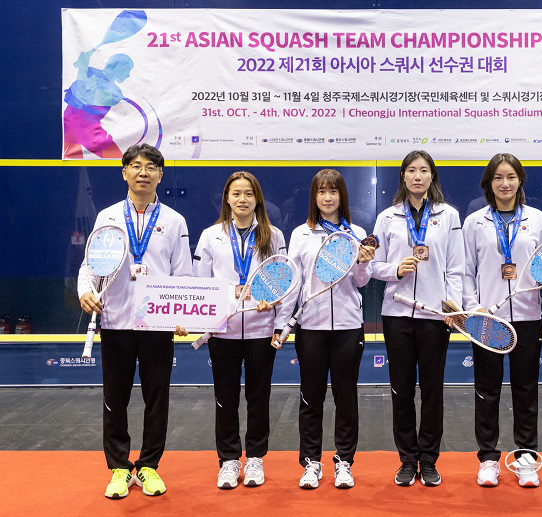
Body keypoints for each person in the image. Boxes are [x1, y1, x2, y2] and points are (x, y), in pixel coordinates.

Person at [78, 143, 192, 498]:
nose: (144, 172)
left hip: (157, 323)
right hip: (116, 320)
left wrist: (181, 314)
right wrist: (85, 291)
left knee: (157, 397)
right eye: (136, 166)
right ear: (124, 172)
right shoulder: (107, 216)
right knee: (115, 398)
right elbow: (91, 264)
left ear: (161, 174)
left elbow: (182, 275)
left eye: (151, 167)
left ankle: (149, 466)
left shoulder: (174, 221)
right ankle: (119, 468)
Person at [462, 153, 542, 488]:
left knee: (525, 390)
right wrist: (473, 307)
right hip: (487, 319)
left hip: (528, 317)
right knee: (486, 391)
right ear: (488, 183)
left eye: (511, 177)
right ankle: (488, 459)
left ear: (520, 181)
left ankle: (526, 458)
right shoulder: (474, 222)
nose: (505, 184)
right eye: (498, 178)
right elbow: (465, 270)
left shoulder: (537, 218)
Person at [371, 150, 465, 487]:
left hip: (435, 316)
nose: (417, 176)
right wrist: (395, 269)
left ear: (431, 176)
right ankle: (407, 460)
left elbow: (456, 267)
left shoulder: (449, 215)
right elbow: (373, 265)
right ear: (403, 176)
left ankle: (429, 460)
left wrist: (454, 306)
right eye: (411, 170)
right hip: (397, 314)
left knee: (432, 390)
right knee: (401, 390)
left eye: (424, 171)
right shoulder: (387, 217)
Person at [193, 171, 290, 490]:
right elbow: (201, 284)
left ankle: (256, 458)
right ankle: (229, 460)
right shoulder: (211, 236)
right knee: (225, 398)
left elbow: (284, 281)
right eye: (236, 193)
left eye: (249, 193)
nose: (243, 199)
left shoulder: (273, 235)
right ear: (227, 199)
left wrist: (273, 308)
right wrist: (226, 298)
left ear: (257, 199)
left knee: (258, 398)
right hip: (223, 331)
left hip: (262, 330)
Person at [282, 169, 375, 489]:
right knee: (311, 397)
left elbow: (361, 282)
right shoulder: (301, 234)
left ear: (341, 196)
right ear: (314, 197)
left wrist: (363, 261)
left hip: (348, 326)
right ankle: (311, 462)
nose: (327, 197)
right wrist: (283, 323)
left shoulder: (356, 232)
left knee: (346, 397)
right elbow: (292, 282)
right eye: (321, 191)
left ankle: (344, 462)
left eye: (333, 191)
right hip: (311, 326)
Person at [64, 50, 134, 159]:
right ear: (118, 67)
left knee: (117, 160)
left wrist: (82, 70)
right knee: (72, 163)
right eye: (127, 70)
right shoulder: (90, 72)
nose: (128, 75)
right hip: (71, 126)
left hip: (91, 131)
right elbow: (76, 94)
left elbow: (86, 99)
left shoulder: (116, 93)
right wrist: (83, 70)